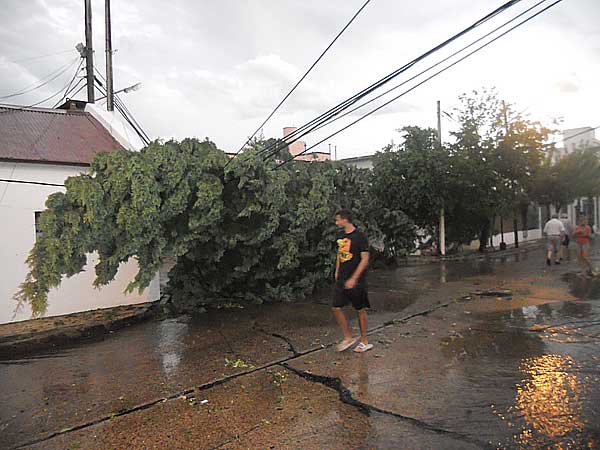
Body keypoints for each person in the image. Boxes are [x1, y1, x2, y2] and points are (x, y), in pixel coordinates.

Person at [331, 209, 373, 353]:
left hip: (356, 280)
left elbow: (365, 259)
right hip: (342, 277)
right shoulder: (340, 235)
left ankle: (364, 341)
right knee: (336, 306)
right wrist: (337, 270)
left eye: (338, 219)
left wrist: (354, 278)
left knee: (359, 310)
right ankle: (348, 337)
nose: (336, 222)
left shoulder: (360, 237)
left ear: (345, 219)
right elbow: (340, 254)